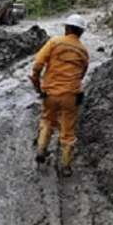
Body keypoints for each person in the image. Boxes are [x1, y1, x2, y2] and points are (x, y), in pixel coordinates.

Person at [29, 14, 89, 177]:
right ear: (81, 32)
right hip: (71, 95)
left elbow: (37, 66)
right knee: (68, 130)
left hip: (50, 93)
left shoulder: (54, 42)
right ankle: (66, 166)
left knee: (48, 120)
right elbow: (81, 75)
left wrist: (38, 87)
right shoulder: (83, 51)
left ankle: (41, 150)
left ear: (66, 28)